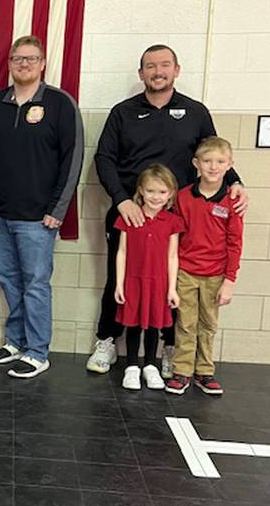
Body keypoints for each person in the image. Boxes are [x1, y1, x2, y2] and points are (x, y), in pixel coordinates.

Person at [89, 44, 248, 377]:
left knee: (173, 280)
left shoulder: (195, 112)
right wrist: (122, 200)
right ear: (141, 73)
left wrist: (236, 182)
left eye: (164, 65)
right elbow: (103, 159)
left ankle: (170, 347)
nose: (157, 71)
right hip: (131, 211)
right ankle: (106, 340)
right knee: (119, 279)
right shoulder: (123, 112)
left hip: (178, 217)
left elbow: (212, 154)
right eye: (150, 66)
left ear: (176, 70)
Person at [0, 35, 83, 379]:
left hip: (39, 217)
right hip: (1, 214)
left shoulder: (60, 103)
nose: (24, 64)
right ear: (9, 64)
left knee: (36, 283)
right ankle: (16, 340)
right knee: (9, 279)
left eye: (31, 58)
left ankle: (38, 351)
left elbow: (73, 159)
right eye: (17, 58)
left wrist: (58, 208)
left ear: (42, 64)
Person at [166, 137, 243, 396]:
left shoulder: (233, 201)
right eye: (207, 161)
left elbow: (235, 243)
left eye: (220, 162)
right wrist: (172, 276)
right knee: (185, 324)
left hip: (216, 275)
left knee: (208, 325)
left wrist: (229, 281)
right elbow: (174, 238)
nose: (213, 167)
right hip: (186, 272)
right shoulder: (183, 197)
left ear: (229, 165)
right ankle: (182, 371)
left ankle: (204, 371)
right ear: (196, 164)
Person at [114, 164, 183, 391]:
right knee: (133, 324)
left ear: (171, 193)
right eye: (151, 191)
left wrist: (171, 288)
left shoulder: (172, 221)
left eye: (162, 192)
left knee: (154, 324)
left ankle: (150, 366)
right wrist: (119, 283)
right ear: (141, 190)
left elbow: (173, 256)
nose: (156, 197)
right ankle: (132, 366)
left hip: (159, 282)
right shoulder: (129, 218)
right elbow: (122, 252)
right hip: (134, 280)